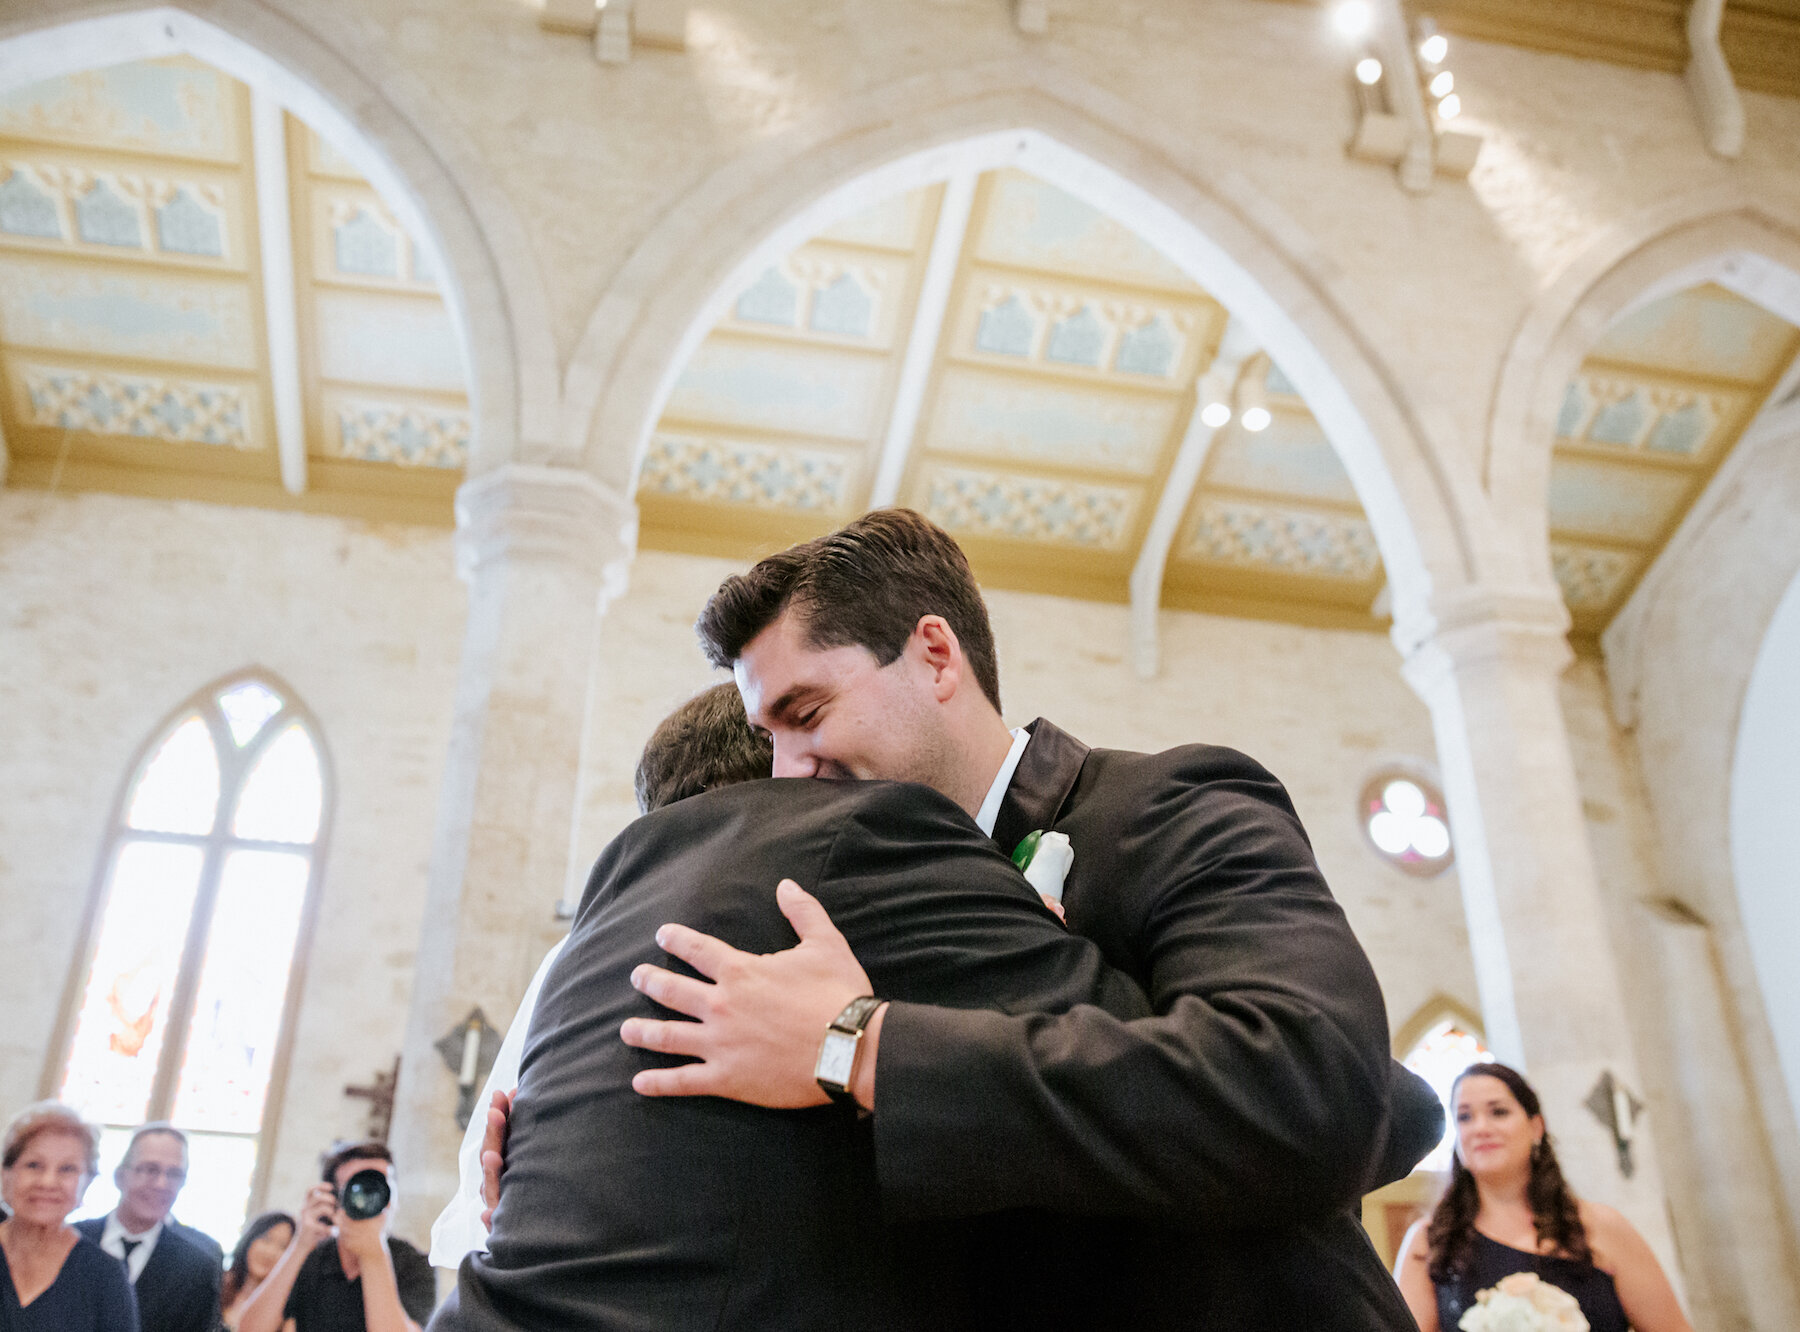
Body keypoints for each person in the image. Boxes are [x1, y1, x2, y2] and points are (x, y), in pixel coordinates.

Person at [480, 509, 1444, 1329]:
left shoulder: (1164, 805)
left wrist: (860, 1047)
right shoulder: (830, 889)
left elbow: (1318, 1087)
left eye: (807, 711)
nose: (786, 771)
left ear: (935, 655)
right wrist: (575, 1162)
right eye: (768, 736)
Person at [428, 682, 1152, 1329]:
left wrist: (543, 1199)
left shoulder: (584, 945)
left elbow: (494, 1205)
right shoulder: (852, 865)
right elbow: (1134, 1068)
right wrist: (1029, 935)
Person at [1395, 1062, 1693, 1332]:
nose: (1480, 1128)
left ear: (1535, 1127)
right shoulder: (1428, 1243)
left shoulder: (1603, 1227)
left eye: (1498, 1111)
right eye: (1464, 1117)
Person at [238, 1142, 435, 1332]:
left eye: (380, 1187)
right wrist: (300, 1244)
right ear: (334, 1198)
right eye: (358, 1187)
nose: (370, 1198)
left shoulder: (415, 1264)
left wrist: (373, 1254)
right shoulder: (312, 1257)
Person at [0, 1101, 137, 1331]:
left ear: (87, 1183)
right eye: (34, 1165)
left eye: (67, 1169)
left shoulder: (105, 1276)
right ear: (6, 1175)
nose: (47, 1182)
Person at [74, 1122, 222, 1332]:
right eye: (150, 1169)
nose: (161, 1184)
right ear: (120, 1176)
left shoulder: (197, 1268)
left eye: (173, 1174)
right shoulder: (72, 1240)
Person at [220, 1211, 295, 1330]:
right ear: (251, 1238)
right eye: (266, 1239)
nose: (270, 1252)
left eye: (283, 1247)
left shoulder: (287, 1316)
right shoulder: (217, 1284)